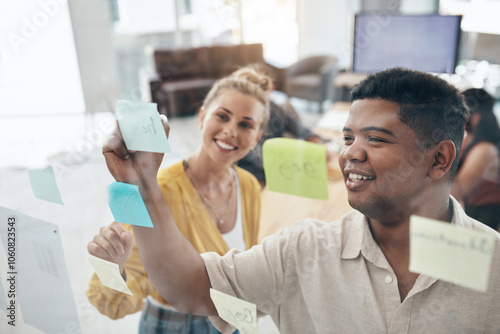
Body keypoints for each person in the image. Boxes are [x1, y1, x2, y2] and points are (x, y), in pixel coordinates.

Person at [101, 68, 500, 333]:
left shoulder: (493, 266)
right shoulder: (304, 250)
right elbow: (192, 287)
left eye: (375, 139)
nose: (350, 153)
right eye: (348, 138)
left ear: (440, 159)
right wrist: (144, 188)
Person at [87, 71, 271, 333]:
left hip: (231, 321)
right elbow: (111, 303)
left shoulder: (249, 186)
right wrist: (113, 268)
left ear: (256, 137)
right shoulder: (157, 189)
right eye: (222, 116)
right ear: (201, 117)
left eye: (245, 124)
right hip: (173, 325)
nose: (231, 131)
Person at [231, 64, 323, 184]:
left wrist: (312, 138)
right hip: (257, 178)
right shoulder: (240, 125)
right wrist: (302, 157)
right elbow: (259, 161)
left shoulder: (273, 107)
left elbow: (294, 125)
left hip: (280, 169)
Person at [451, 88, 500, 230]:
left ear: (476, 116)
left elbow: (458, 193)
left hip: (480, 222)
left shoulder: (485, 149)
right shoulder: (471, 141)